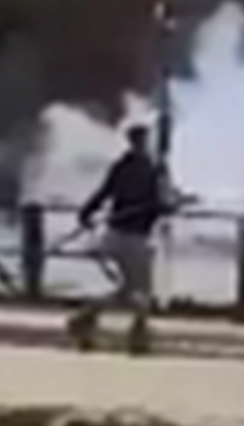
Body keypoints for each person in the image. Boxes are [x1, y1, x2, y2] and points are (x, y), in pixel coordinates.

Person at [66, 124, 174, 354]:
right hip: (134, 237)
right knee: (141, 293)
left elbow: (104, 193)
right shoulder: (152, 169)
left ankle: (87, 317)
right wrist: (167, 205)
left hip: (115, 234)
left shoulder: (121, 167)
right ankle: (138, 337)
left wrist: (86, 212)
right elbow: (161, 203)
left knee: (128, 291)